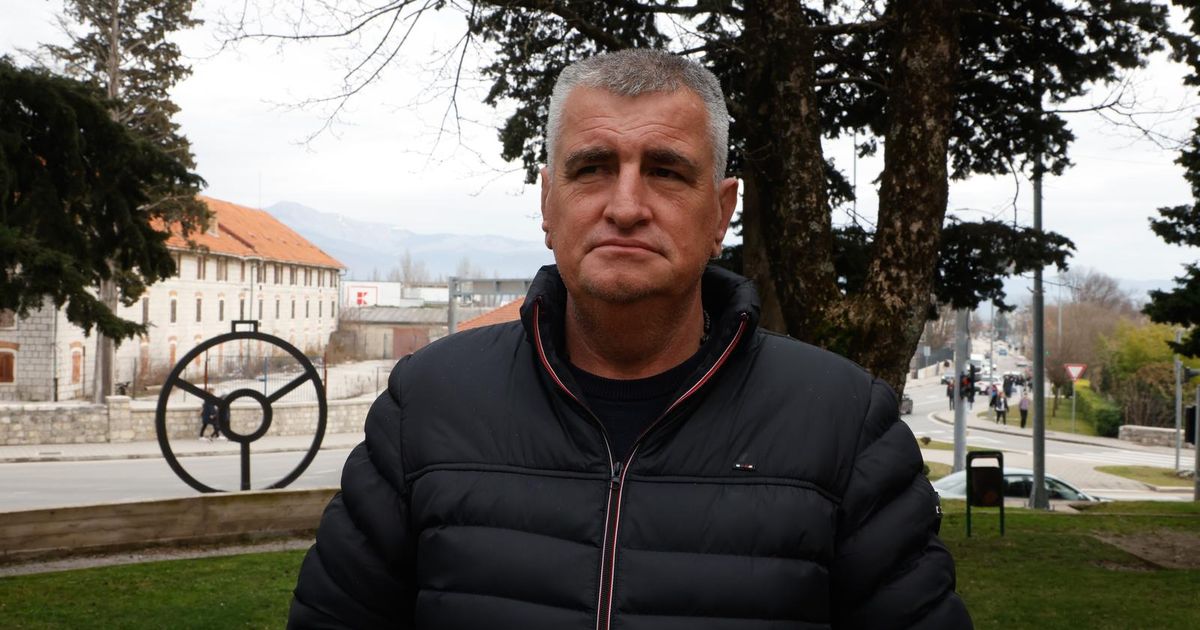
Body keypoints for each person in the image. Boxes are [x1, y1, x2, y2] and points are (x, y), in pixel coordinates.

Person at [289, 49, 971, 629]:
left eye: (666, 171)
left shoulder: (844, 426)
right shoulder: (428, 405)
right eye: (592, 168)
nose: (624, 206)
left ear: (721, 213)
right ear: (548, 203)